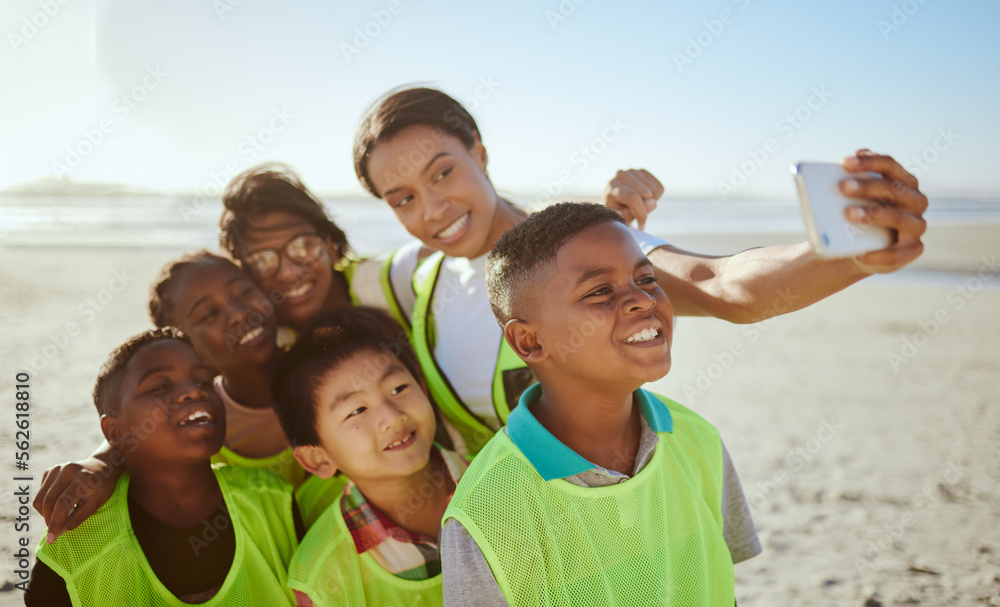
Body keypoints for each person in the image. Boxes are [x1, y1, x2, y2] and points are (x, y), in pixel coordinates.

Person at [352, 87, 929, 454]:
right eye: (401, 198)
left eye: (443, 173)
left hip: (617, 524)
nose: (431, 209)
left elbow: (721, 286)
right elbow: (305, 285)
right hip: (507, 543)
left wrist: (848, 254)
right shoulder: (410, 279)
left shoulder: (582, 241)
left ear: (478, 154)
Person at [441, 202, 759, 605]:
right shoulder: (486, 512)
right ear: (529, 341)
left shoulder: (697, 438)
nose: (642, 300)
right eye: (600, 291)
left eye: (646, 278)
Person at [23, 328, 299, 606]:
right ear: (114, 431)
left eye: (204, 381)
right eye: (160, 387)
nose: (193, 391)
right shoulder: (72, 547)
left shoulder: (275, 502)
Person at [272, 307, 464, 606]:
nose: (392, 417)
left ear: (422, 388)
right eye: (357, 411)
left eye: (398, 388)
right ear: (318, 459)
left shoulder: (506, 478)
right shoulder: (323, 580)